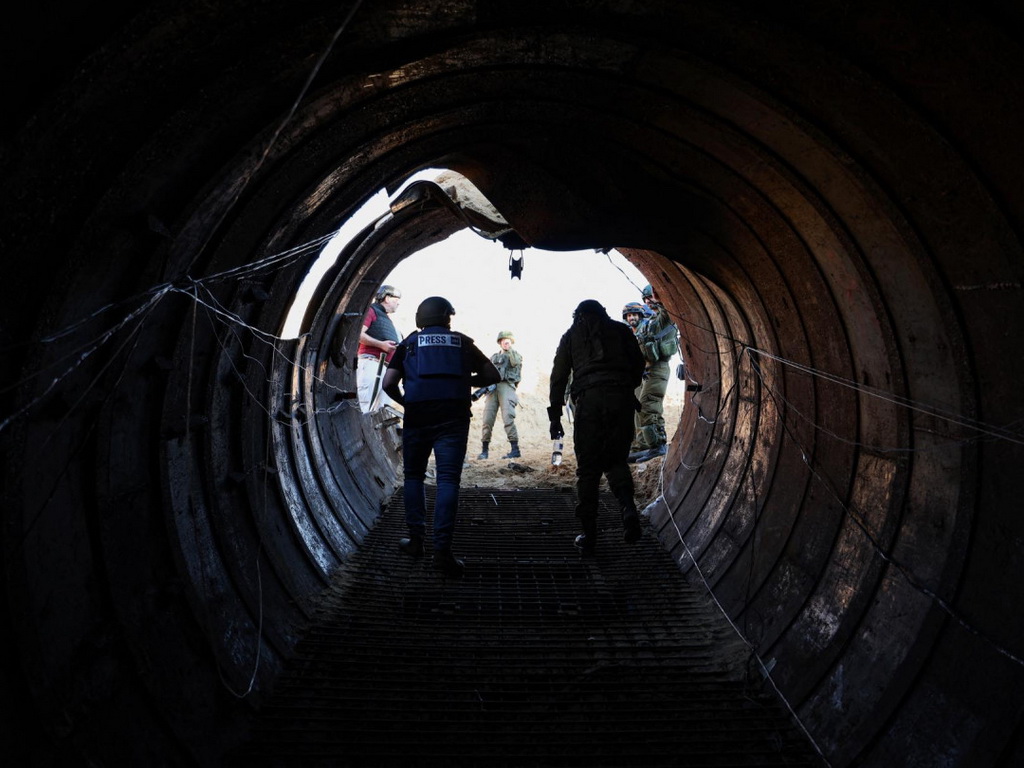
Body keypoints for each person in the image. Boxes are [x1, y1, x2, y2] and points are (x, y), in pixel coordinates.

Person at [382, 296, 500, 577]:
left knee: (413, 476)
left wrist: (407, 402)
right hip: (453, 417)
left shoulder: (409, 343)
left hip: (418, 416)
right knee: (448, 481)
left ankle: (415, 541)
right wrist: (461, 379)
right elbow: (491, 374)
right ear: (447, 317)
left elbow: (388, 383)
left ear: (420, 318)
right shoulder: (462, 343)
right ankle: (442, 552)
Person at [548, 299, 646, 555]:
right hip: (620, 400)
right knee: (616, 461)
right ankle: (628, 510)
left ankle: (589, 536)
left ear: (577, 316)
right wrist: (626, 388)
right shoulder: (622, 330)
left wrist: (555, 415)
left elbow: (558, 377)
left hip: (589, 401)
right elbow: (638, 364)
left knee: (589, 469)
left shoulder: (571, 336)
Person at [629, 283, 679, 463]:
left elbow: (667, 311)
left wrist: (661, 298)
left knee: (648, 406)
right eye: (646, 300)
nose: (648, 302)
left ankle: (657, 445)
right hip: (647, 370)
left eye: (650, 298)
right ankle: (647, 446)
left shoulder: (664, 319)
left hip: (658, 368)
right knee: (643, 407)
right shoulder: (649, 323)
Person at [477, 330, 524, 459]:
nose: (505, 342)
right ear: (500, 342)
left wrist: (509, 351)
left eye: (508, 340)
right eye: (503, 340)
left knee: (508, 417)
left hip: (506, 386)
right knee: (487, 419)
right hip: (493, 388)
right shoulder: (494, 357)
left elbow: (516, 369)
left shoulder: (515, 356)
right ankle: (484, 451)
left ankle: (515, 449)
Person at [357, 285, 402, 413]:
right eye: (396, 299)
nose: (398, 303)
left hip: (385, 369)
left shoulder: (386, 319)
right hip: (372, 364)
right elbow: (358, 334)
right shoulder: (371, 311)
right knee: (366, 407)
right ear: (387, 298)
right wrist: (381, 345)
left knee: (381, 411)